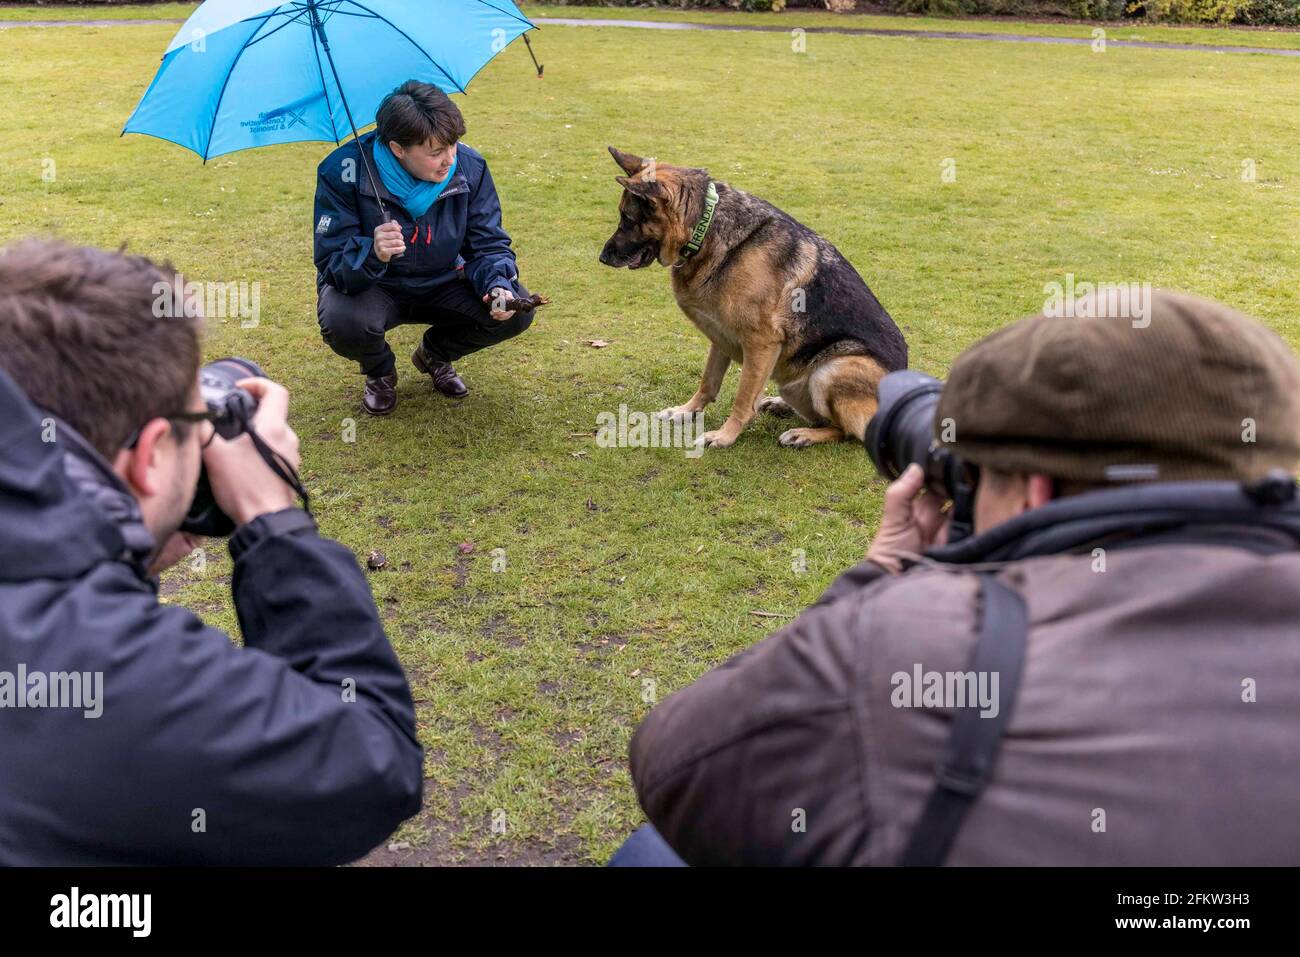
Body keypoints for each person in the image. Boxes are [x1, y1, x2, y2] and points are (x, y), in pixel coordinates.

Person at [622, 290, 1300, 866]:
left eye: (976, 470)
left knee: (654, 853)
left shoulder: (916, 648)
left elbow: (675, 763)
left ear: (1032, 489)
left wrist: (881, 578)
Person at [0, 238, 423, 865]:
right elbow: (371, 759)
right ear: (147, 457)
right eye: (192, 429)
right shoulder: (97, 676)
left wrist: (114, 547)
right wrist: (273, 521)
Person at [314, 80, 534, 415]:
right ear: (397, 149)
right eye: (435, 153)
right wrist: (372, 252)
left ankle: (435, 353)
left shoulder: (470, 167)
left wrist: (496, 284)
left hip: (445, 280)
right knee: (341, 320)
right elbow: (331, 262)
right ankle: (380, 371)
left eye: (453, 146)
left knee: (517, 312)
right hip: (376, 286)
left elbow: (488, 243)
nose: (448, 160)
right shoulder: (342, 171)